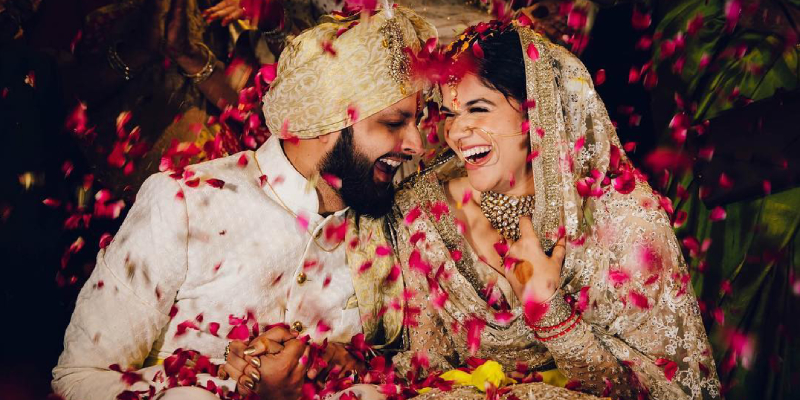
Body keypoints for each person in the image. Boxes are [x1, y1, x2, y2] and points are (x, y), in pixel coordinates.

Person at [52, 7, 436, 400]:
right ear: (323, 120)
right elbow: (77, 378)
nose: (416, 144)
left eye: (418, 121)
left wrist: (349, 364)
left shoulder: (388, 226)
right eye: (393, 123)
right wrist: (228, 385)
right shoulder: (186, 203)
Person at [387, 20, 721, 399]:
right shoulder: (425, 215)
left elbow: (671, 393)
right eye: (450, 114)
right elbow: (427, 372)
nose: (456, 132)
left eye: (478, 109)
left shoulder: (627, 222)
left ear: (537, 113)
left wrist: (551, 315)